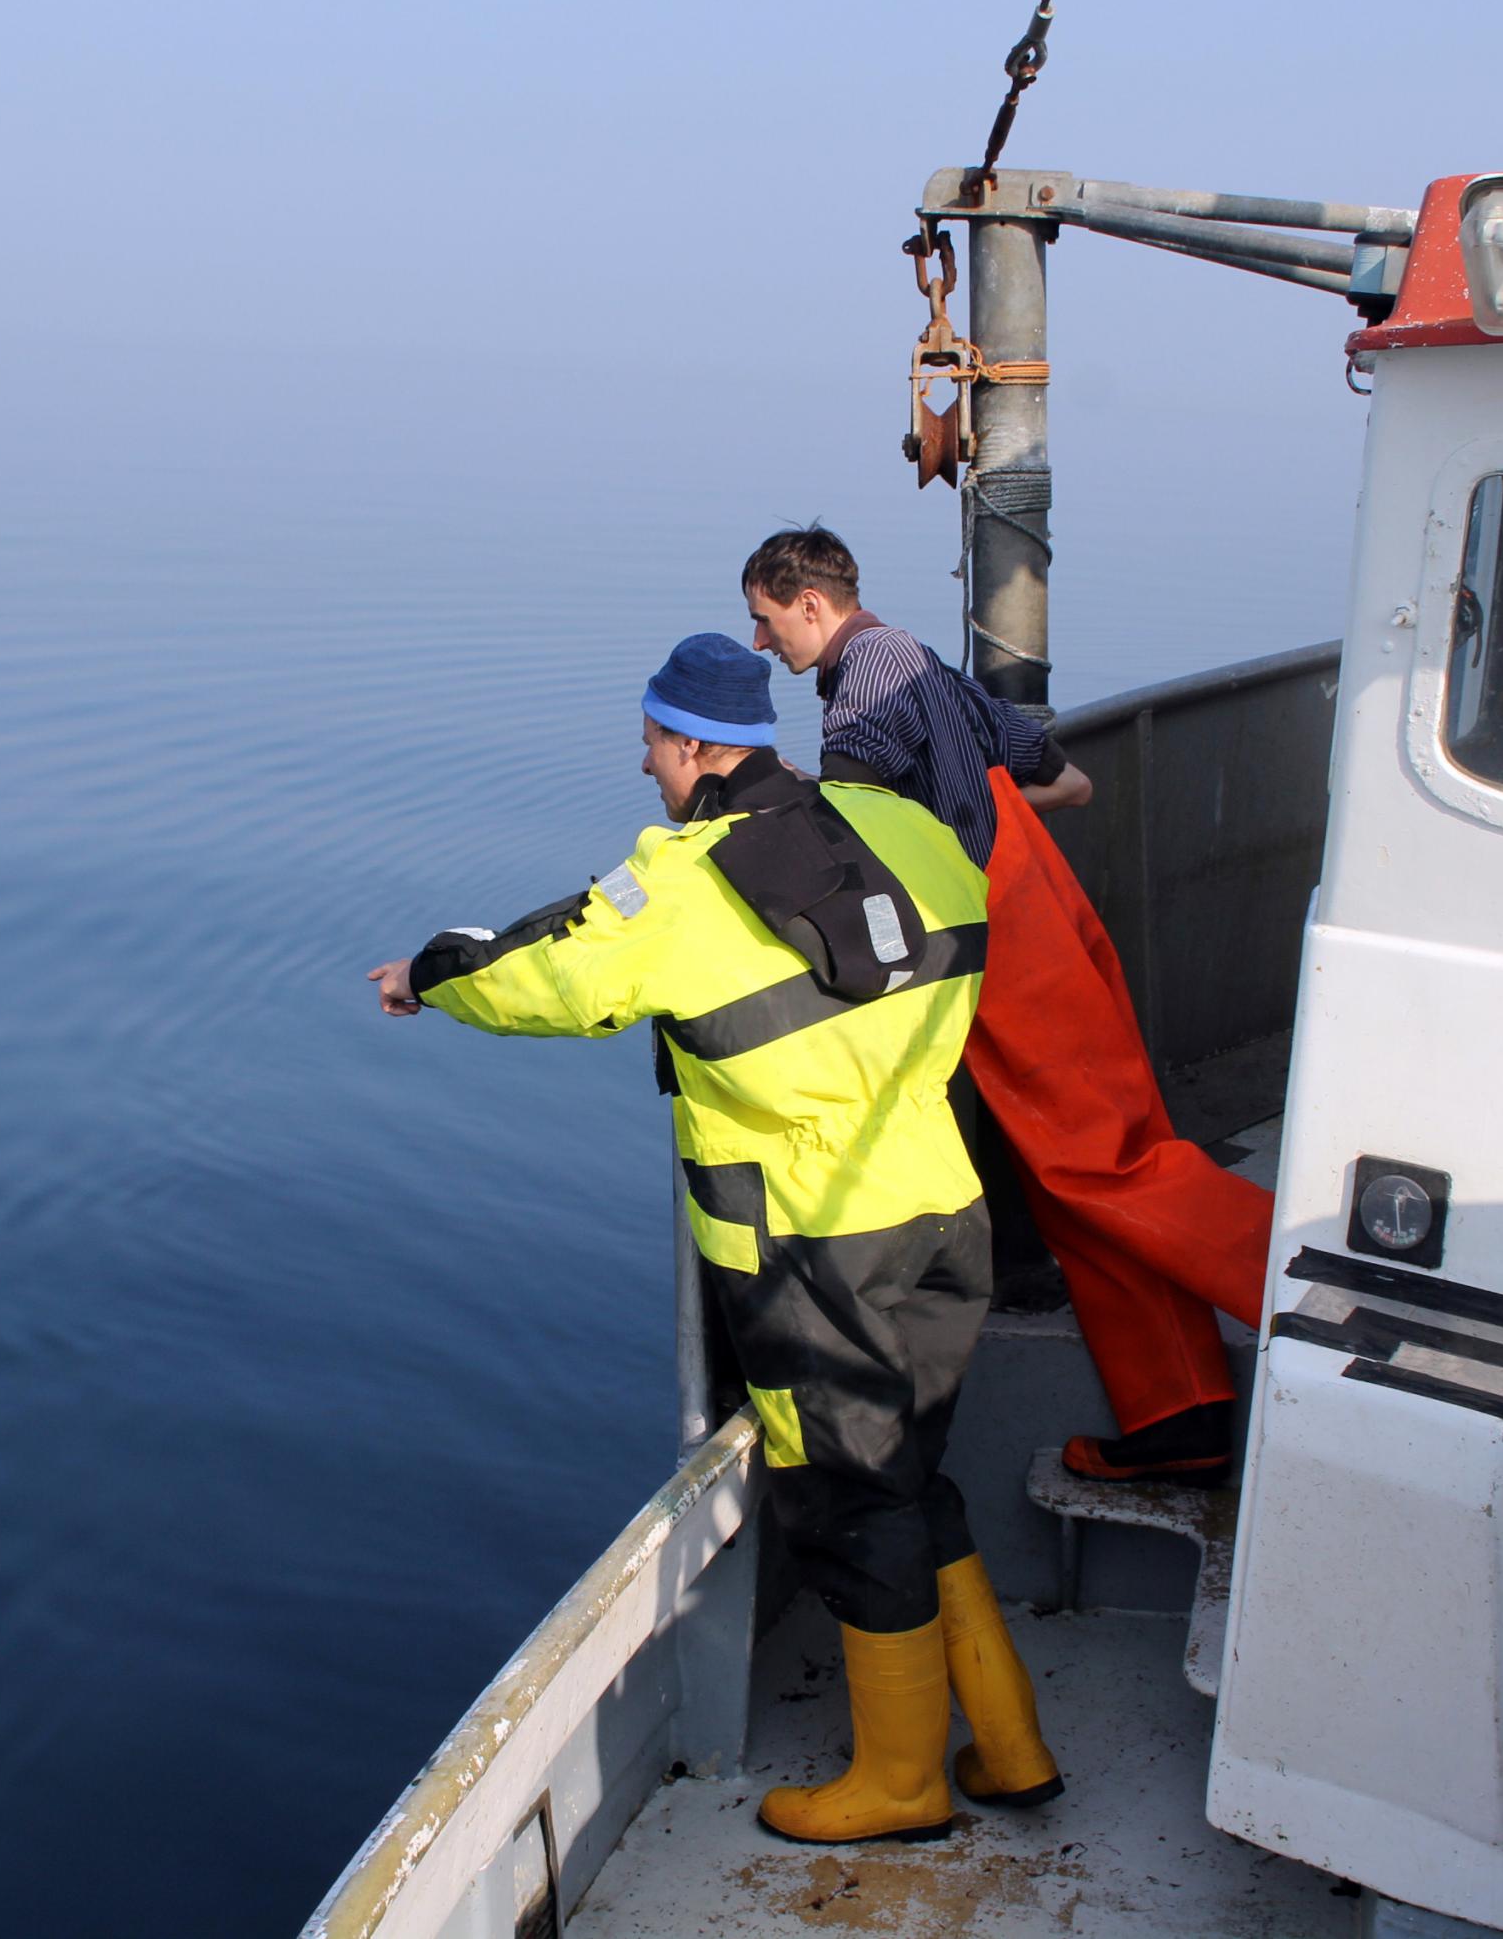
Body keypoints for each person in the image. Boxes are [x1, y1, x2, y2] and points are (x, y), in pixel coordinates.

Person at [367, 634, 1061, 1845]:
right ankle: (1008, 1745)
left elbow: (556, 975)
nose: (642, 768)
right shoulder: (902, 828)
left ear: (691, 746)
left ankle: (899, 1784)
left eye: (648, 744)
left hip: (809, 1244)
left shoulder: (684, 883)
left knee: (852, 1498)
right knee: (907, 1476)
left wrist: (430, 974)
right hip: (943, 1210)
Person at [741, 527, 1275, 1483]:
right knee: (1079, 1175)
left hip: (1009, 937)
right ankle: (1179, 1413)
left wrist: (765, 803)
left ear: (810, 606)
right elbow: (1061, 774)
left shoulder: (866, 680)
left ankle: (1317, 1290)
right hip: (1038, 904)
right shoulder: (923, 665)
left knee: (1102, 1166)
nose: (760, 643)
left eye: (765, 620)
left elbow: (848, 816)